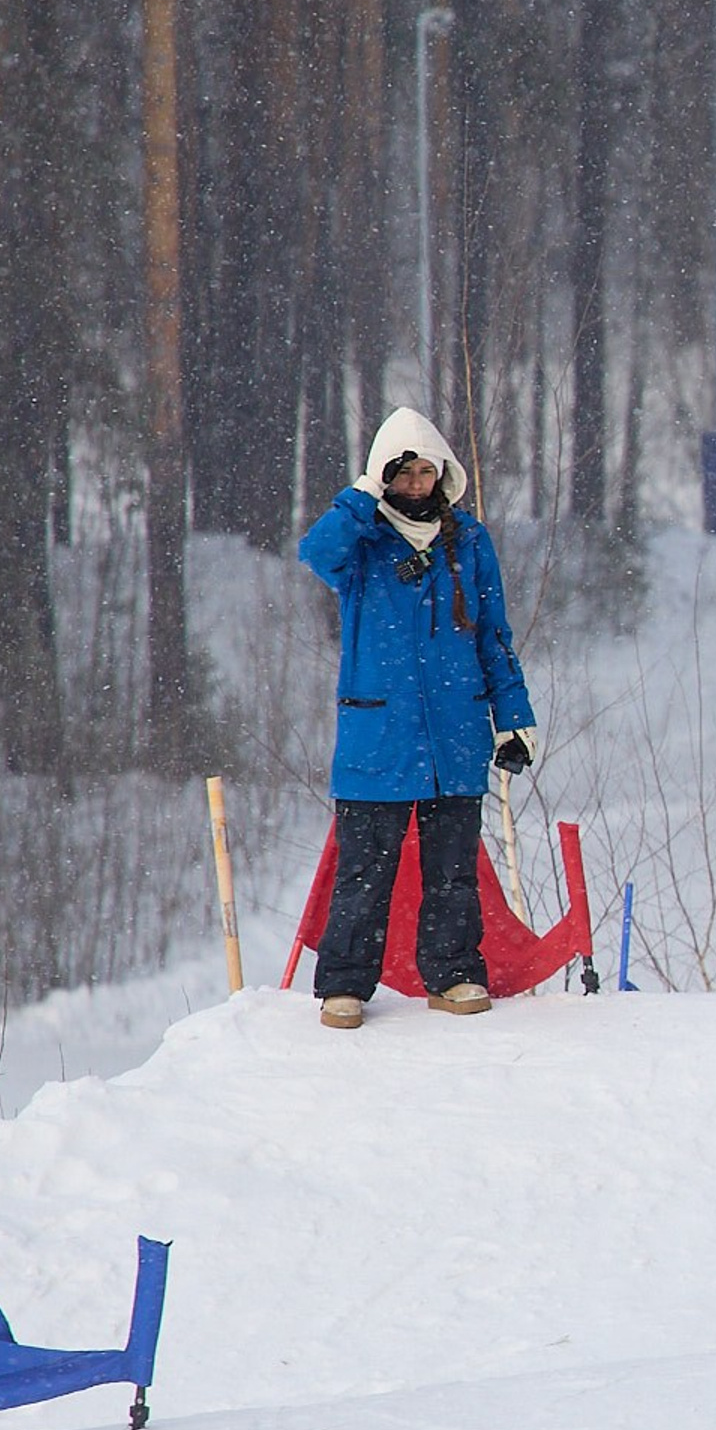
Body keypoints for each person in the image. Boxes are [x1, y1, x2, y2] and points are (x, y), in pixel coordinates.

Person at [299, 405, 538, 1030]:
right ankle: (345, 987)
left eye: (426, 473)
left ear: (443, 474)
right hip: (377, 735)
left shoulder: (469, 540)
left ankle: (454, 973)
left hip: (455, 732)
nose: (415, 486)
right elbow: (315, 552)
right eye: (402, 474)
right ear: (383, 475)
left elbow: (493, 635)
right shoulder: (360, 541)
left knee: (454, 870)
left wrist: (513, 717)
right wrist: (362, 499)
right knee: (363, 871)